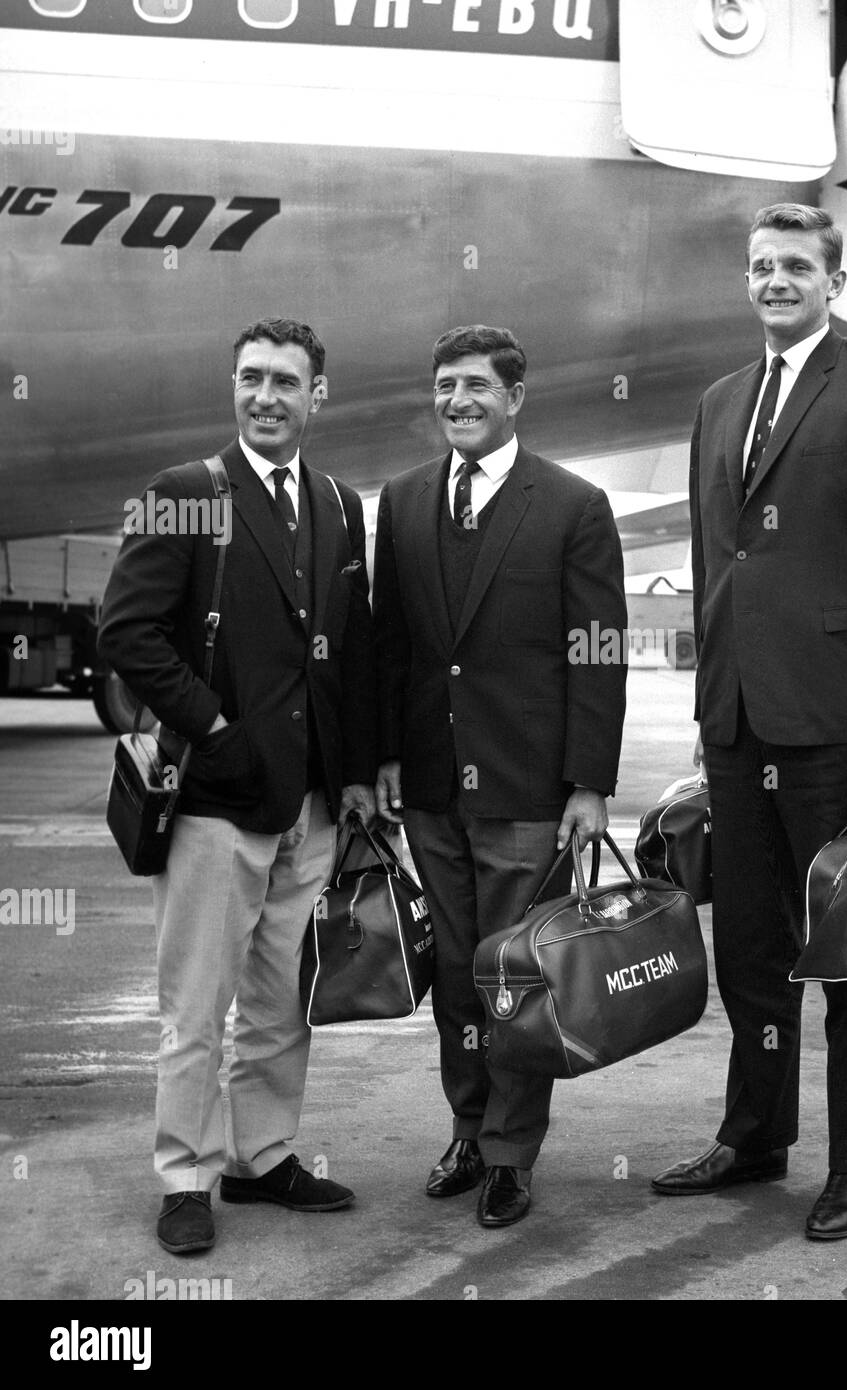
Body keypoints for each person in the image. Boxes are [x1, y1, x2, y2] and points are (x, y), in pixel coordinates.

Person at [651, 205, 847, 1241]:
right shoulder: (720, 401)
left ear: (834, 279)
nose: (776, 281)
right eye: (761, 267)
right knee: (749, 946)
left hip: (834, 721)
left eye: (795, 267)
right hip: (736, 718)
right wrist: (708, 701)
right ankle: (755, 1135)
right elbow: (715, 566)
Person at [98, 317, 377, 1255]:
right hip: (217, 806)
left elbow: (351, 653)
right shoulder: (184, 494)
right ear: (234, 387)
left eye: (285, 382)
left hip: (312, 806)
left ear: (316, 395)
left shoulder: (340, 505)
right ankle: (186, 1175)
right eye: (251, 378)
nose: (266, 396)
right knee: (196, 1004)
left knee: (278, 1001)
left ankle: (262, 1157)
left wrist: (357, 776)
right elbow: (125, 634)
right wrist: (211, 727)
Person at [373, 325, 627, 1229]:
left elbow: (596, 656)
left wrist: (589, 784)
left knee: (515, 977)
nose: (458, 401)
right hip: (434, 786)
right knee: (454, 971)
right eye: (445, 386)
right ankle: (469, 1131)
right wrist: (387, 753)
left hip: (528, 789)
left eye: (477, 386)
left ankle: (514, 1154)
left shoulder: (572, 504)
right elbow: (392, 645)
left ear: (515, 398)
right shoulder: (401, 502)